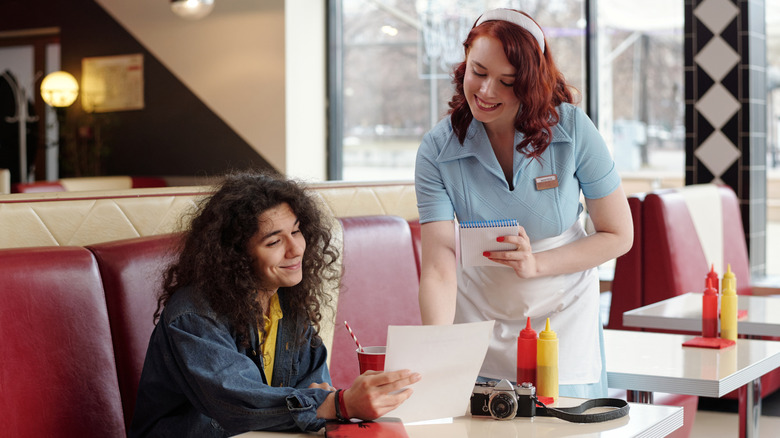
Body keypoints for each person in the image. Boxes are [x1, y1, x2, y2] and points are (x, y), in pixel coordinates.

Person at [415, 9, 632, 398]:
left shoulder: (572, 130)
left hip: (562, 319)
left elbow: (619, 234)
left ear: (530, 83)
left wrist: (537, 264)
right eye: (478, 72)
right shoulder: (438, 148)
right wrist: (437, 347)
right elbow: (438, 266)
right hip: (479, 312)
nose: (486, 91)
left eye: (507, 82)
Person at [130, 171, 420, 437]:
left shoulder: (286, 301)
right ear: (236, 257)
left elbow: (314, 391)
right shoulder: (193, 316)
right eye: (273, 242)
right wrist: (338, 404)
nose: (295, 249)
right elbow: (240, 406)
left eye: (295, 232)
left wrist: (325, 403)